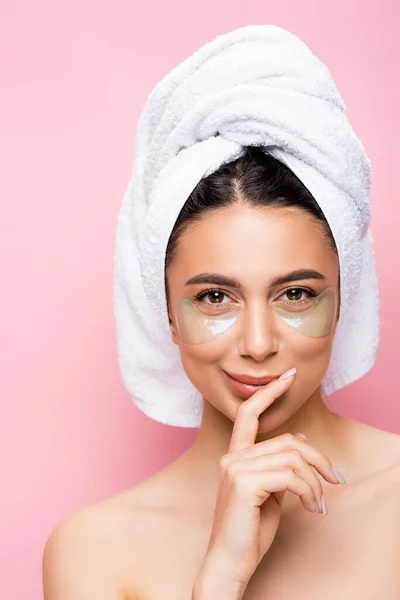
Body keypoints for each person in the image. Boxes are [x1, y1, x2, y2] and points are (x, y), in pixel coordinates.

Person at [42, 26, 400, 600]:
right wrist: (220, 579)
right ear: (163, 310)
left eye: (297, 294)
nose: (258, 343)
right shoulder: (94, 552)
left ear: (344, 297)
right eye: (214, 298)